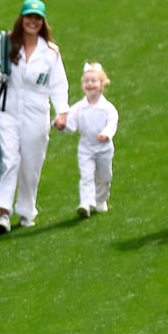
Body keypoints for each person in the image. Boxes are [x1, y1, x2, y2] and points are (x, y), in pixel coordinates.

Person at [0, 0, 71, 233]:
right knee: (10, 161)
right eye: (29, 17)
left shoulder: (50, 52)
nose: (33, 22)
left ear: (43, 22)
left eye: (37, 18)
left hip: (36, 114)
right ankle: (3, 213)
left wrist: (62, 112)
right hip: (7, 111)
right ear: (21, 19)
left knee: (31, 165)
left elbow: (58, 85)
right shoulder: (5, 42)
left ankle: (26, 211)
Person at [63, 62, 119, 219]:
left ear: (102, 85)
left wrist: (106, 134)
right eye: (86, 81)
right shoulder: (78, 108)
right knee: (86, 176)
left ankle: (100, 200)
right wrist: (62, 126)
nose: (89, 84)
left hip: (104, 149)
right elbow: (71, 125)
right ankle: (86, 203)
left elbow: (112, 122)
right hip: (86, 148)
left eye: (93, 81)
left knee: (104, 177)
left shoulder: (108, 108)